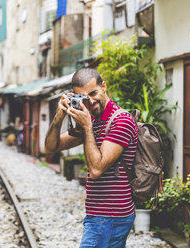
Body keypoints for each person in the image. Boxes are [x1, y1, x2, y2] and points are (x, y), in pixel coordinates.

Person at [44, 68, 138, 248]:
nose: (91, 100)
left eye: (93, 93)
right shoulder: (94, 120)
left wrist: (87, 127)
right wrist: (59, 116)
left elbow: (96, 169)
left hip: (110, 215)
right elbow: (51, 147)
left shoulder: (121, 121)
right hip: (101, 216)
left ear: (104, 87)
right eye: (85, 97)